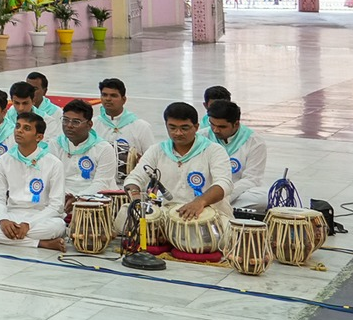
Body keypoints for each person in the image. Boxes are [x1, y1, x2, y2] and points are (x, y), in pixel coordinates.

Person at [123, 102, 232, 235]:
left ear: (196, 127)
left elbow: (224, 184)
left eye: (184, 128)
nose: (178, 133)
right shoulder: (157, 150)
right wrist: (136, 199)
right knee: (124, 212)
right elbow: (134, 178)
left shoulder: (214, 150)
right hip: (166, 213)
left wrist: (200, 202)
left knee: (226, 233)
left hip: (207, 213)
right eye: (172, 128)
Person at [0, 110, 66, 249]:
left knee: (58, 227)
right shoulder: (3, 160)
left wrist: (28, 224)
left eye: (26, 128)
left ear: (39, 137)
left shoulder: (54, 163)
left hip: (41, 218)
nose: (19, 131)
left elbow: (56, 205)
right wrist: (4, 220)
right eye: (17, 126)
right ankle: (41, 244)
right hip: (12, 215)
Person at [205, 99, 271, 213]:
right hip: (208, 189)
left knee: (264, 198)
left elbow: (251, 179)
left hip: (237, 192)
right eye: (212, 124)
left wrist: (221, 196)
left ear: (236, 124)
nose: (215, 130)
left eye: (222, 127)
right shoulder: (202, 137)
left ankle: (213, 205)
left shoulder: (255, 142)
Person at [53, 98, 119, 203]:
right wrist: (63, 197)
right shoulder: (55, 145)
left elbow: (101, 183)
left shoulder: (104, 148)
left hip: (94, 202)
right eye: (65, 120)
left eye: (76, 122)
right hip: (62, 198)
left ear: (89, 125)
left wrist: (79, 198)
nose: (69, 125)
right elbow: (52, 180)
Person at [94, 77, 155, 162]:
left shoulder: (141, 127)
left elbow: (152, 159)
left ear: (124, 99)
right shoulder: (92, 125)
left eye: (113, 95)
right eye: (104, 95)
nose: (108, 99)